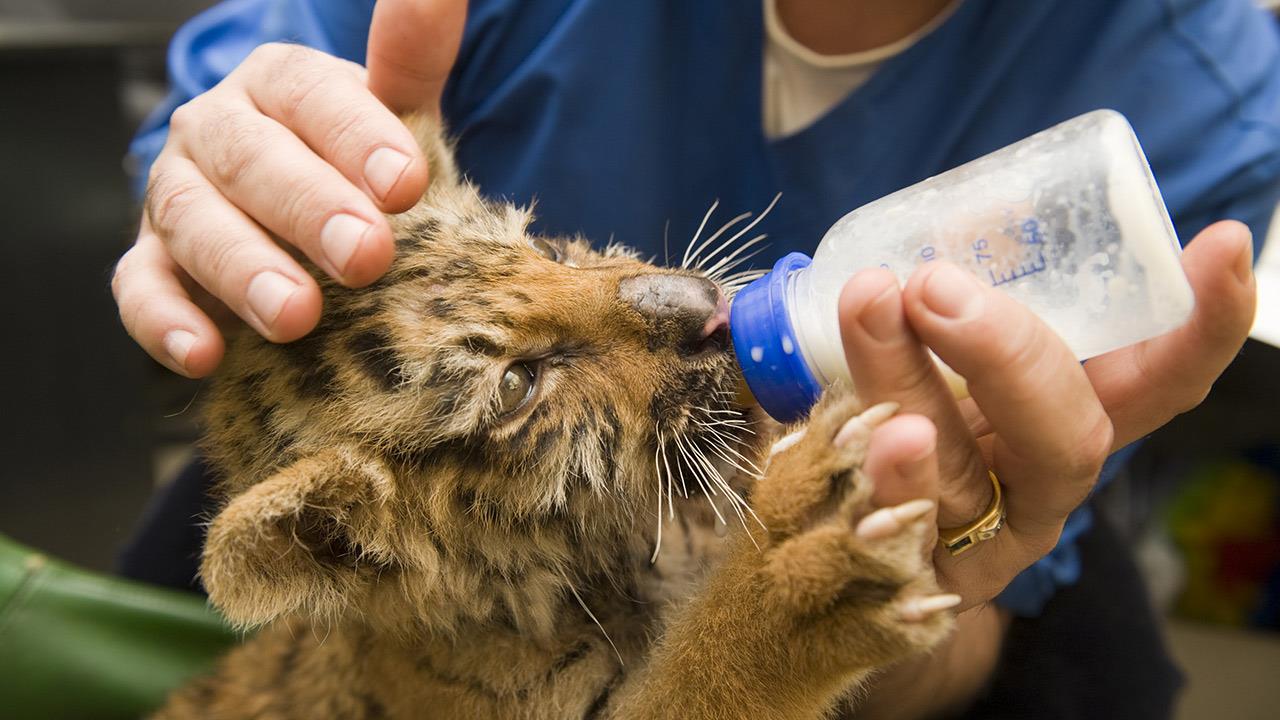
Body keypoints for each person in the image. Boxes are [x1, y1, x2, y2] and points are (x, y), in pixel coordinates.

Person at [112, 0, 1278, 717]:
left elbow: (976, 571)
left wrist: (890, 566)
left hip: (979, 555)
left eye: (546, 243)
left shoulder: (1204, 94)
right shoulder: (357, 534)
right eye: (520, 377)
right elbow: (236, 122)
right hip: (443, 552)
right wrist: (218, 198)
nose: (662, 296)